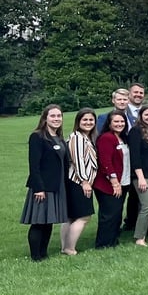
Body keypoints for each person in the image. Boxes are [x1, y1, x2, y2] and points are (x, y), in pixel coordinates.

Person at [23, 105, 68, 261]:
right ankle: (36, 256)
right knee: (39, 221)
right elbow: (34, 165)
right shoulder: (37, 137)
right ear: (45, 118)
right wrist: (38, 188)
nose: (56, 119)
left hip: (57, 186)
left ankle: (44, 253)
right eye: (53, 116)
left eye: (59, 116)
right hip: (42, 186)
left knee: (49, 221)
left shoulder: (59, 138)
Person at [62, 108, 97, 256]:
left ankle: (65, 248)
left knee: (71, 216)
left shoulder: (86, 137)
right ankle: (69, 248)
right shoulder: (77, 138)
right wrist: (85, 181)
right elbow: (78, 161)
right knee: (84, 216)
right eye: (85, 120)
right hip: (77, 182)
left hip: (77, 181)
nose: (88, 122)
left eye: (91, 120)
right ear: (78, 121)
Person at [93, 111, 129, 249]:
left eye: (122, 121)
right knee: (109, 214)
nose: (120, 124)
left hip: (123, 181)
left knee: (116, 213)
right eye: (116, 121)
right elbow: (105, 161)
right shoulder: (106, 138)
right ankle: (103, 244)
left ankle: (113, 240)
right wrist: (115, 183)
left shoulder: (122, 137)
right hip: (108, 184)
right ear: (109, 123)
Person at [127, 105, 148, 246]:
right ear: (141, 116)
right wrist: (140, 178)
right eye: (147, 114)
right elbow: (135, 156)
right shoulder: (136, 131)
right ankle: (139, 238)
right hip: (142, 174)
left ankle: (144, 233)